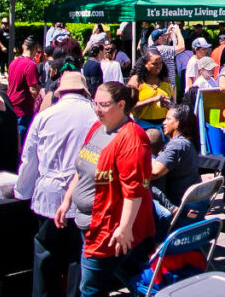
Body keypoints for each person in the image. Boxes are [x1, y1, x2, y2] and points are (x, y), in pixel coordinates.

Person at [17, 71, 97, 297]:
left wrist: (22, 191)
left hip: (49, 194)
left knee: (45, 251)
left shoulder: (45, 116)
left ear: (60, 92)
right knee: (77, 254)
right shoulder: (95, 114)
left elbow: (29, 157)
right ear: (84, 90)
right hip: (84, 194)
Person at [76, 83, 154, 297]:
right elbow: (82, 167)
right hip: (89, 221)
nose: (97, 109)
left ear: (121, 105)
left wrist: (125, 227)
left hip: (109, 227)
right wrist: (66, 202)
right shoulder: (97, 128)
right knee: (130, 274)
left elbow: (134, 189)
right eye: (95, 103)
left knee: (90, 288)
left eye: (104, 104)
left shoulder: (132, 138)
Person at [151, 104, 202, 237]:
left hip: (175, 206)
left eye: (168, 119)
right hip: (189, 201)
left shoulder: (177, 145)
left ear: (178, 123)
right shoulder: (188, 142)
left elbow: (154, 172)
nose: (164, 122)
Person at [8, 36, 43, 144]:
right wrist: (40, 104)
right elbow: (33, 89)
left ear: (23, 46)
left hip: (11, 104)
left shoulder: (14, 62)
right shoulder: (31, 65)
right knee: (23, 142)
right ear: (36, 48)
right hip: (24, 108)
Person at [126, 52, 173, 130]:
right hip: (143, 125)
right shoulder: (136, 80)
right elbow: (130, 107)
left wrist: (168, 104)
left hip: (164, 125)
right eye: (154, 64)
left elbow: (172, 101)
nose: (158, 66)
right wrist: (152, 99)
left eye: (160, 63)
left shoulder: (165, 79)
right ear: (145, 64)